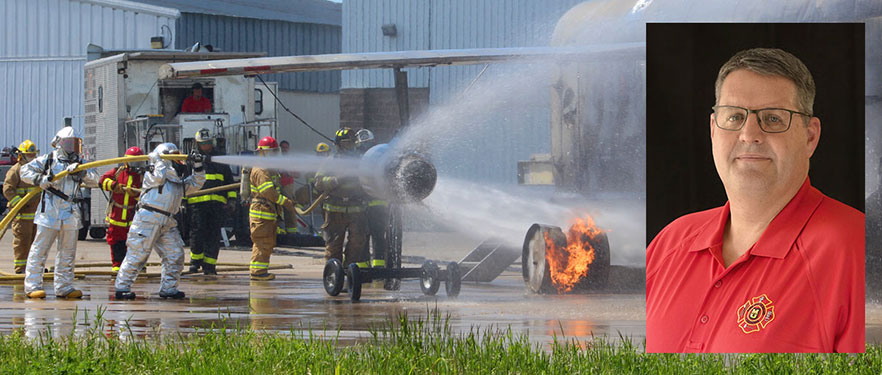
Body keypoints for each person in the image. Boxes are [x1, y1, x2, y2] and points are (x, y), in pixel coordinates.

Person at [645, 48, 864, 352]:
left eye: (773, 119)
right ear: (713, 130)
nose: (749, 134)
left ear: (810, 137)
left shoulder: (855, 249)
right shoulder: (669, 244)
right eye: (734, 116)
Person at [114, 144, 206, 300]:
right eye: (173, 157)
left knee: (175, 254)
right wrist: (158, 160)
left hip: (167, 221)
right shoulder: (153, 174)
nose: (178, 160)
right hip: (148, 219)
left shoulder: (177, 181)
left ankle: (169, 288)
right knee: (137, 255)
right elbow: (158, 177)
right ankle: (122, 288)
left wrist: (198, 166)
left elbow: (196, 184)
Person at [20, 127, 100, 299]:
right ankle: (32, 286)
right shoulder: (48, 160)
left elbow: (96, 179)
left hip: (70, 213)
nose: (72, 148)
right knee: (40, 250)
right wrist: (39, 179)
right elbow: (24, 171)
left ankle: (64, 287)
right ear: (59, 143)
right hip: (49, 211)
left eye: (75, 144)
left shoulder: (80, 163)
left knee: (68, 251)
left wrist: (82, 172)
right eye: (69, 143)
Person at [314, 128, 369, 268]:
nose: (350, 147)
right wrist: (336, 180)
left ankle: (349, 270)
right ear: (338, 144)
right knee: (333, 245)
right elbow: (318, 183)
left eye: (352, 143)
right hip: (334, 210)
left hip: (356, 209)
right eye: (347, 144)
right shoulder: (331, 161)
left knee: (358, 241)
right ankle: (333, 274)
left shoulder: (361, 160)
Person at [187, 128, 236, 275]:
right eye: (203, 144)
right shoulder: (192, 160)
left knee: (214, 235)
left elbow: (229, 182)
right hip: (198, 205)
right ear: (197, 144)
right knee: (197, 233)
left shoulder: (220, 159)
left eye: (209, 143)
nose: (206, 146)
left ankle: (209, 266)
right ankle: (195, 262)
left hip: (217, 205)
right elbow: (185, 182)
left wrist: (232, 199)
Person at [248, 136, 296, 280]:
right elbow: (268, 192)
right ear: (263, 153)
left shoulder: (268, 169)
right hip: (262, 211)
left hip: (266, 211)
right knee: (262, 242)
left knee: (266, 242)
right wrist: (284, 201)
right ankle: (258, 272)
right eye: (272, 152)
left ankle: (260, 271)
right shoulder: (261, 170)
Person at [99, 146, 145, 272]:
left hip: (134, 219)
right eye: (132, 161)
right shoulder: (118, 172)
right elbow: (102, 180)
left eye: (137, 162)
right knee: (116, 242)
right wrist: (113, 185)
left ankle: (137, 266)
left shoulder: (143, 177)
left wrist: (136, 195)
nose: (134, 165)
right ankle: (117, 266)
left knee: (136, 244)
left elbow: (148, 196)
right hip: (117, 217)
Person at [354, 129, 390, 271]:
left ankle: (369, 266)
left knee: (366, 236)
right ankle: (376, 266)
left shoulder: (360, 160)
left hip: (369, 206)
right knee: (376, 236)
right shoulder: (381, 157)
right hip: (376, 206)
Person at [3, 140, 40, 274]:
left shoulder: (35, 170)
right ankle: (20, 270)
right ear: (21, 155)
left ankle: (32, 269)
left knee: (35, 244)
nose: (32, 157)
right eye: (29, 155)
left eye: (33, 155)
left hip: (35, 216)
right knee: (22, 243)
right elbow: (8, 190)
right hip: (21, 215)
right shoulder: (16, 170)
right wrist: (20, 203)